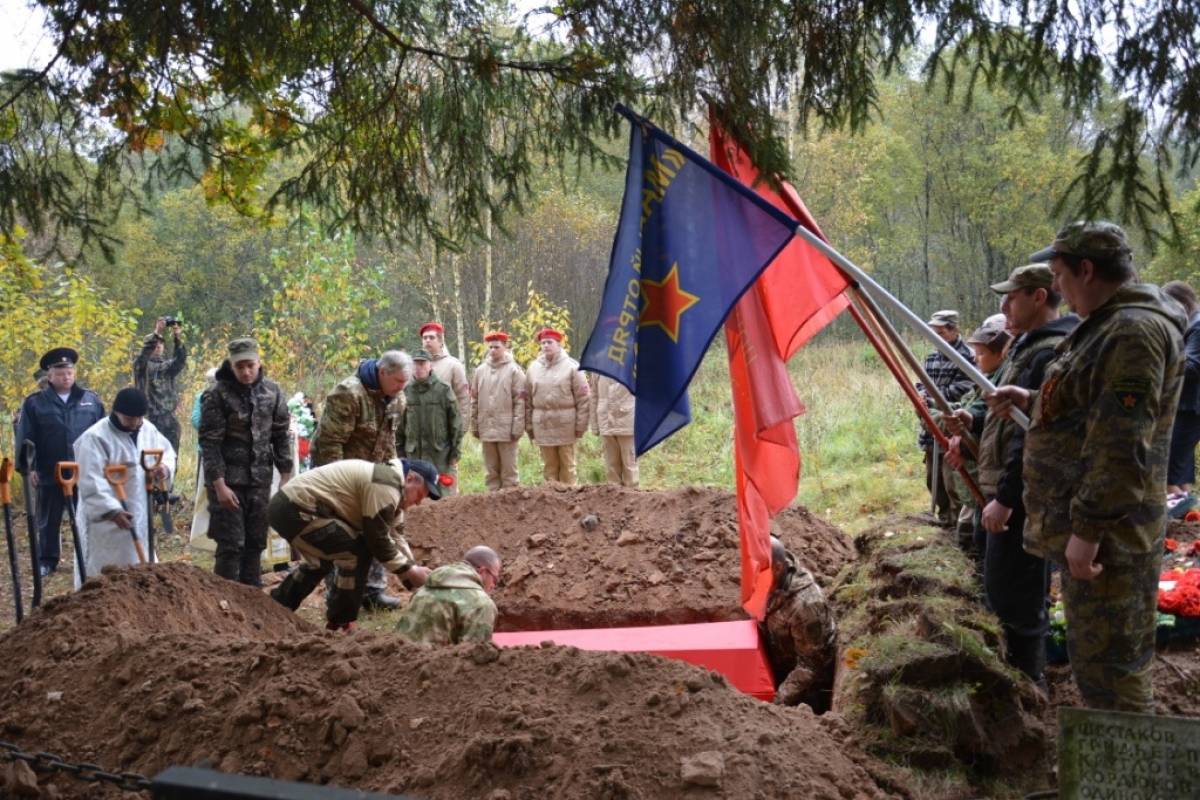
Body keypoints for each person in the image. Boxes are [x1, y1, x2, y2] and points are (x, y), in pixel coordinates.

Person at [988, 221, 1184, 712]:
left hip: (1113, 539)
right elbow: (1086, 407)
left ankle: (1127, 776)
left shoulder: (1132, 332)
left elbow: (1121, 443)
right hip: (1095, 530)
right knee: (1095, 663)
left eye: (1059, 275)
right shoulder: (1106, 325)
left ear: (1088, 269)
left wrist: (1089, 529)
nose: (1056, 287)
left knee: (1113, 672)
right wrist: (1032, 399)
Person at [971, 265, 1076, 685]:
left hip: (1024, 496)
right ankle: (1015, 680)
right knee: (999, 589)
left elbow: (1029, 439)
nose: (1003, 306)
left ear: (1038, 296)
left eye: (1011, 297)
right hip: (1005, 488)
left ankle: (1027, 687)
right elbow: (1006, 418)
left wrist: (1008, 497)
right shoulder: (1024, 347)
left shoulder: (1046, 352)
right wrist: (973, 424)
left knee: (1017, 597)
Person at [268, 458, 438, 630]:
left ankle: (276, 607)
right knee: (357, 552)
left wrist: (413, 579)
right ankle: (341, 623)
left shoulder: (394, 490)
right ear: (410, 479)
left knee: (321, 562)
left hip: (294, 508)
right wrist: (410, 571)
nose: (418, 502)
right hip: (294, 509)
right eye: (420, 495)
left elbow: (397, 538)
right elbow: (378, 541)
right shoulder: (386, 485)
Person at [310, 350, 412, 610]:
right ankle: (339, 595)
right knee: (342, 533)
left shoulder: (397, 398)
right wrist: (336, 490)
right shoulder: (349, 394)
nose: (402, 387)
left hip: (374, 475)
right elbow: (329, 444)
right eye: (398, 381)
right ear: (382, 372)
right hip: (341, 477)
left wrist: (392, 477)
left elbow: (389, 442)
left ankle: (373, 591)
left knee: (378, 524)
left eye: (406, 382)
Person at [199, 337, 293, 587]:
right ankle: (224, 601)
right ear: (231, 366)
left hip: (260, 481)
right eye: (239, 366)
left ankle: (252, 598)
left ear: (259, 362)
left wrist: (286, 477)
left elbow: (281, 435)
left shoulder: (272, 392)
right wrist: (219, 486)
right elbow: (210, 444)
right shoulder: (217, 395)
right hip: (228, 481)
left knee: (256, 542)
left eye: (250, 365)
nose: (246, 371)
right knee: (231, 544)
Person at [14, 348, 106, 576]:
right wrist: (30, 468)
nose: (67, 376)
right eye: (61, 372)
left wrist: (104, 464)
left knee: (87, 515)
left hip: (83, 470)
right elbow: (26, 437)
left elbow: (103, 435)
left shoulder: (90, 400)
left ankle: (87, 556)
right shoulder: (35, 403)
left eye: (70, 371)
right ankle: (47, 560)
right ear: (50, 375)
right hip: (49, 470)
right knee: (48, 520)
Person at [73, 387, 176, 586]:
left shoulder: (148, 428)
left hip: (138, 505)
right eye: (130, 419)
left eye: (139, 418)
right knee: (105, 567)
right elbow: (89, 479)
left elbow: (167, 451)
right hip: (105, 518)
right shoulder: (95, 438)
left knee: (138, 560)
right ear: (116, 412)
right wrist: (111, 511)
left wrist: (164, 468)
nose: (136, 423)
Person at [940, 313, 1011, 564]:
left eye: (981, 354)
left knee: (992, 545)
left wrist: (968, 422)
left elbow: (989, 414)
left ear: (1003, 351)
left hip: (998, 479)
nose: (976, 360)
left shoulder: (1005, 377)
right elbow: (973, 405)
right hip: (981, 469)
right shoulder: (986, 378)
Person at [761, 537, 837, 711]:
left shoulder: (806, 607)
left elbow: (810, 666)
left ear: (778, 568)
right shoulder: (770, 580)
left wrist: (775, 703)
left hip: (809, 686)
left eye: (757, 571)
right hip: (781, 659)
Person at [916, 310, 976, 527]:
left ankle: (958, 524)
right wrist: (921, 395)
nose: (936, 337)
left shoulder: (968, 356)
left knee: (953, 481)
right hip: (931, 427)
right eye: (934, 333)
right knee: (934, 480)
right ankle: (943, 521)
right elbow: (921, 381)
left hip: (953, 426)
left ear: (954, 329)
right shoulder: (932, 357)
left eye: (940, 332)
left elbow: (965, 388)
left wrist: (934, 398)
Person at [394, 545, 502, 644]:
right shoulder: (482, 604)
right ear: (482, 571)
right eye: (495, 579)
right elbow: (476, 656)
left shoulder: (426, 587)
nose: (493, 585)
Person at [525, 328, 589, 484]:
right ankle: (551, 502)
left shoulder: (572, 367)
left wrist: (581, 426)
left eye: (549, 342)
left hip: (566, 426)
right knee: (549, 468)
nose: (546, 346)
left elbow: (584, 399)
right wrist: (529, 426)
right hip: (543, 426)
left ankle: (570, 501)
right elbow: (527, 400)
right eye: (543, 343)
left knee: (568, 467)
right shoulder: (533, 368)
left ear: (559, 344)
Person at [469, 331, 526, 491]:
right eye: (490, 347)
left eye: (496, 347)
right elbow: (474, 400)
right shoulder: (479, 371)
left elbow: (520, 402)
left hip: (507, 430)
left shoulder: (515, 371)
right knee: (490, 472)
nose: (493, 350)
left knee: (509, 472)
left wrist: (517, 427)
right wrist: (475, 425)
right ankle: (492, 505)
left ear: (505, 347)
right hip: (486, 428)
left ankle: (510, 505)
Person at [397, 349, 463, 479]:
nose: (418, 367)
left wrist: (455, 453)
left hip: (440, 457)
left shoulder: (443, 390)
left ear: (430, 365)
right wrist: (400, 453)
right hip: (414, 456)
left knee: (442, 496)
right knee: (416, 495)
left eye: (422, 363)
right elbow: (399, 427)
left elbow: (456, 424)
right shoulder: (405, 391)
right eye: (415, 364)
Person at [420, 322, 469, 493]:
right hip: (421, 431)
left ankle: (450, 507)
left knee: (447, 470)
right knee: (423, 472)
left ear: (440, 341)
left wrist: (461, 427)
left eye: (431, 337)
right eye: (424, 338)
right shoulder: (416, 366)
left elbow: (463, 398)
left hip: (446, 429)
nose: (427, 341)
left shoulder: (453, 365)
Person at [1163, 281, 1200, 497]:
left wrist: (1162, 359)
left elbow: (1194, 366)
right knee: (1181, 472)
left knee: (1169, 471)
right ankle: (1188, 520)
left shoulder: (1197, 326)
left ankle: (1177, 519)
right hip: (1186, 405)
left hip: (1191, 406)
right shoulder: (1192, 324)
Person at [132, 317, 187, 452]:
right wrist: (157, 332)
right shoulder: (141, 367)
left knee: (170, 463)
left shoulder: (166, 367)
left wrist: (177, 338)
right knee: (148, 463)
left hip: (169, 420)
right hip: (149, 420)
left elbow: (179, 360)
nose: (158, 347)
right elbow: (143, 356)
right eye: (155, 344)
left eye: (160, 344)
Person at [589, 373, 638, 487]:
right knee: (611, 468)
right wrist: (594, 424)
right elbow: (594, 396)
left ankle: (632, 499)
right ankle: (614, 501)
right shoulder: (598, 365)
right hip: (605, 422)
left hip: (627, 422)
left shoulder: (633, 360)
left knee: (630, 466)